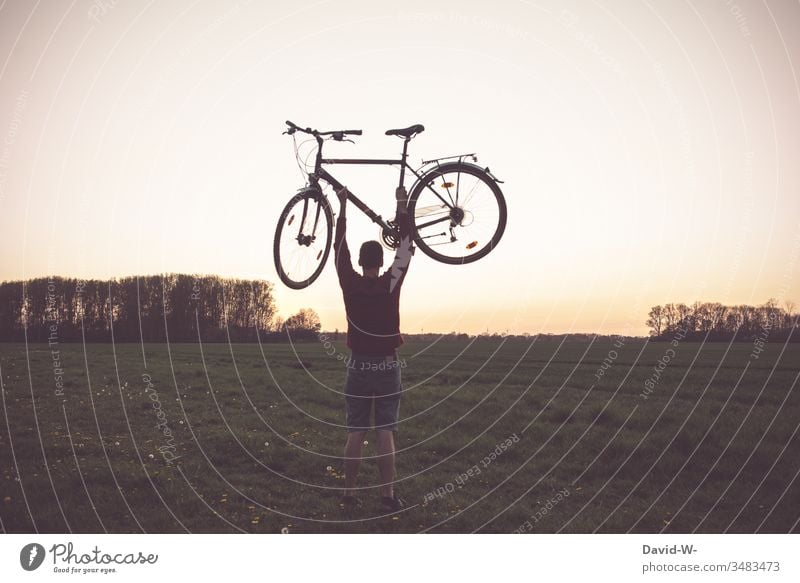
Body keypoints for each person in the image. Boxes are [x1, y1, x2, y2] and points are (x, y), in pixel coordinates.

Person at [334, 184, 413, 512]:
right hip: (386, 365)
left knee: (355, 431)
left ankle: (349, 494)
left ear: (361, 261)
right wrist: (401, 205)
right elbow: (406, 247)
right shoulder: (389, 283)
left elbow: (339, 250)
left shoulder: (349, 284)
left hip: (357, 365)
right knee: (384, 432)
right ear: (380, 261)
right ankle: (387, 496)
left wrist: (342, 210)